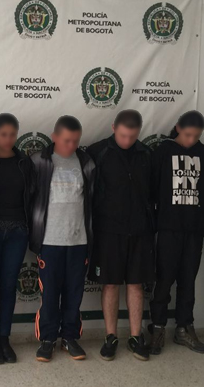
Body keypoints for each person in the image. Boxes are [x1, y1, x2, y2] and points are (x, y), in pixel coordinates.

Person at [87, 109, 154, 362]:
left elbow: (153, 193)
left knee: (136, 284)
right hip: (108, 231)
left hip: (140, 231)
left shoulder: (147, 154)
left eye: (132, 136)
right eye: (123, 135)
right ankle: (110, 336)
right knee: (110, 283)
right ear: (114, 127)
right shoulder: (97, 152)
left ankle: (136, 337)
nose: (127, 141)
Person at [148, 111, 204, 355]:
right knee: (164, 280)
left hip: (194, 229)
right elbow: (152, 188)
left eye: (196, 136)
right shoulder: (163, 152)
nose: (191, 140)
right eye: (187, 135)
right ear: (178, 128)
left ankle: (184, 328)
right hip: (168, 228)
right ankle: (157, 328)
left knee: (188, 280)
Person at [29, 116, 95, 362]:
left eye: (76, 141)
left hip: (78, 241)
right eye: (67, 140)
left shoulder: (86, 162)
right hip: (49, 241)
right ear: (54, 137)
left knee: (74, 293)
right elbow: (29, 198)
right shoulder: (39, 161)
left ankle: (70, 337)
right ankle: (47, 339)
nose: (71, 145)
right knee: (49, 294)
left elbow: (92, 200)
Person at [0, 113, 36, 364]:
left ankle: (5, 337)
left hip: (17, 232)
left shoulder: (25, 163)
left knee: (9, 284)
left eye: (13, 134)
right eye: (3, 134)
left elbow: (32, 198)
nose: (8, 139)